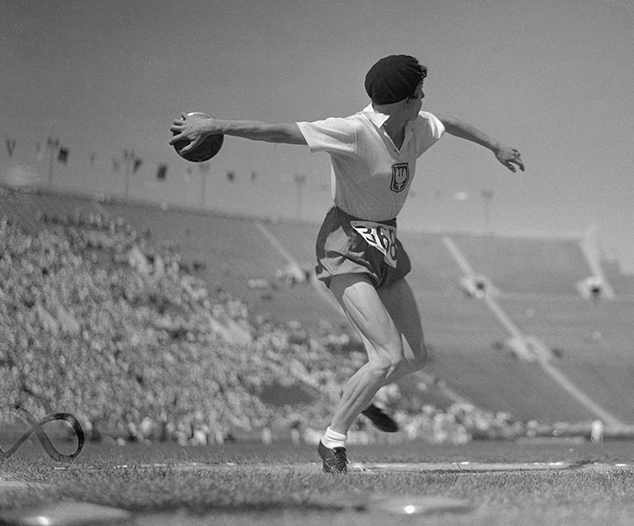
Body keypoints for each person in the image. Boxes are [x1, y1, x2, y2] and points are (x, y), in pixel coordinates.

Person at [170, 55, 526, 473]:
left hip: (386, 242)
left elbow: (452, 124)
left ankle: (358, 391)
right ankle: (332, 441)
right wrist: (217, 126)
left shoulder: (416, 126)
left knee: (414, 356)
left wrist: (496, 147)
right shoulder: (353, 131)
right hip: (345, 244)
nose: (425, 98)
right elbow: (280, 133)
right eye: (419, 93)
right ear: (400, 102)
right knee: (388, 355)